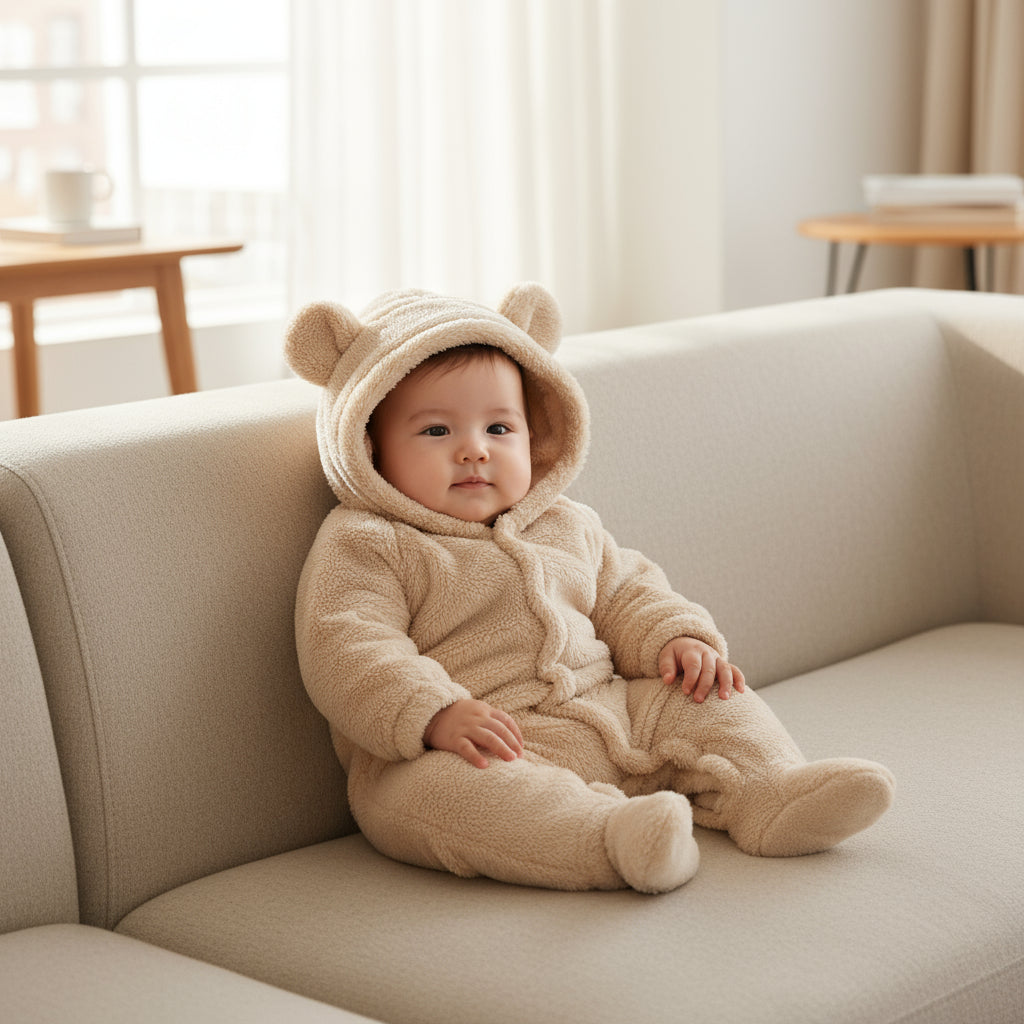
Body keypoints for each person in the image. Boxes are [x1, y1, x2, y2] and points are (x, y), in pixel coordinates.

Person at [285, 283, 895, 894]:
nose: (474, 450)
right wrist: (434, 712)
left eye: (499, 428)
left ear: (536, 436)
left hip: (609, 708)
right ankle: (612, 838)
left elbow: (627, 590)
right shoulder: (369, 541)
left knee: (709, 696)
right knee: (443, 796)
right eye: (436, 432)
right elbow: (347, 643)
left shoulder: (566, 522)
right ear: (370, 446)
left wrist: (674, 639)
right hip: (479, 745)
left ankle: (771, 792)